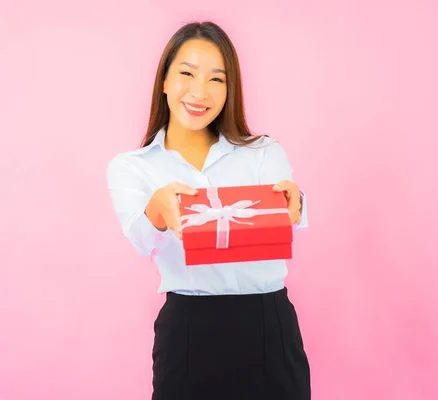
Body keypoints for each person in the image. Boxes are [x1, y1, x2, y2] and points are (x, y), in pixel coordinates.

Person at [106, 21, 311, 400]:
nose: (200, 92)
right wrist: (157, 212)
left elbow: (286, 220)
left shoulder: (263, 152)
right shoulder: (132, 166)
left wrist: (294, 203)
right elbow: (141, 240)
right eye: (186, 73)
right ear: (164, 80)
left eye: (217, 79)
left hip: (268, 325)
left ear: (230, 90)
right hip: (189, 330)